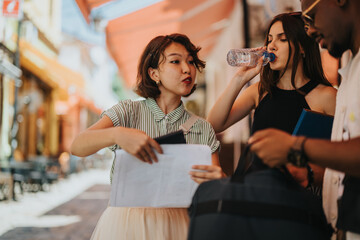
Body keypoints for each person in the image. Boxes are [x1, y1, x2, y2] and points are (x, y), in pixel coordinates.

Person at [71, 33, 223, 240]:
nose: (187, 69)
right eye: (175, 61)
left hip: (181, 226)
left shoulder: (203, 128)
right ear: (154, 74)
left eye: (190, 61)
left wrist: (220, 181)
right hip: (126, 225)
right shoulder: (127, 111)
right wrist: (117, 134)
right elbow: (78, 146)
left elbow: (214, 194)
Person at [248, 0, 360, 238]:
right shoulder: (350, 71)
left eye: (311, 16)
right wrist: (309, 175)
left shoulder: (329, 92)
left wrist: (295, 147)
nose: (309, 30)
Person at [207, 12, 336, 189]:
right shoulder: (260, 91)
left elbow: (339, 155)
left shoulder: (327, 96)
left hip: (297, 200)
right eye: (269, 39)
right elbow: (214, 124)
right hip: (255, 194)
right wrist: (239, 79)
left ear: (303, 47)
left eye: (282, 39)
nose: (271, 46)